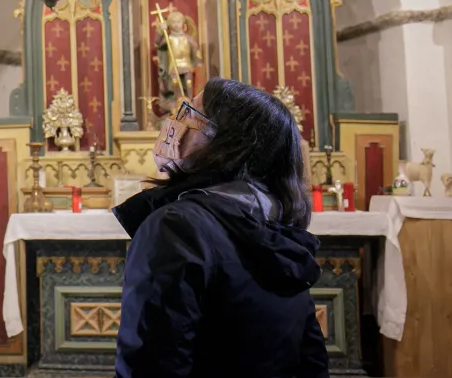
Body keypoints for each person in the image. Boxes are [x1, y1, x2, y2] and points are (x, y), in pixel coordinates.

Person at [113, 78, 328, 378]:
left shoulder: (175, 228)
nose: (173, 124)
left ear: (224, 143)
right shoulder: (277, 227)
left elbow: (151, 366)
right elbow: (312, 361)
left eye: (188, 113)